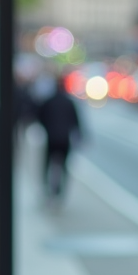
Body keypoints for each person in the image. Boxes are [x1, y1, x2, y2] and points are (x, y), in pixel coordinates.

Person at [35, 73, 82, 209]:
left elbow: (40, 116)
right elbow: (76, 121)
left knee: (47, 165)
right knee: (64, 166)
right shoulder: (69, 102)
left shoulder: (49, 101)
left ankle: (47, 190)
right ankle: (60, 192)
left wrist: (47, 128)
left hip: (51, 138)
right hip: (64, 139)